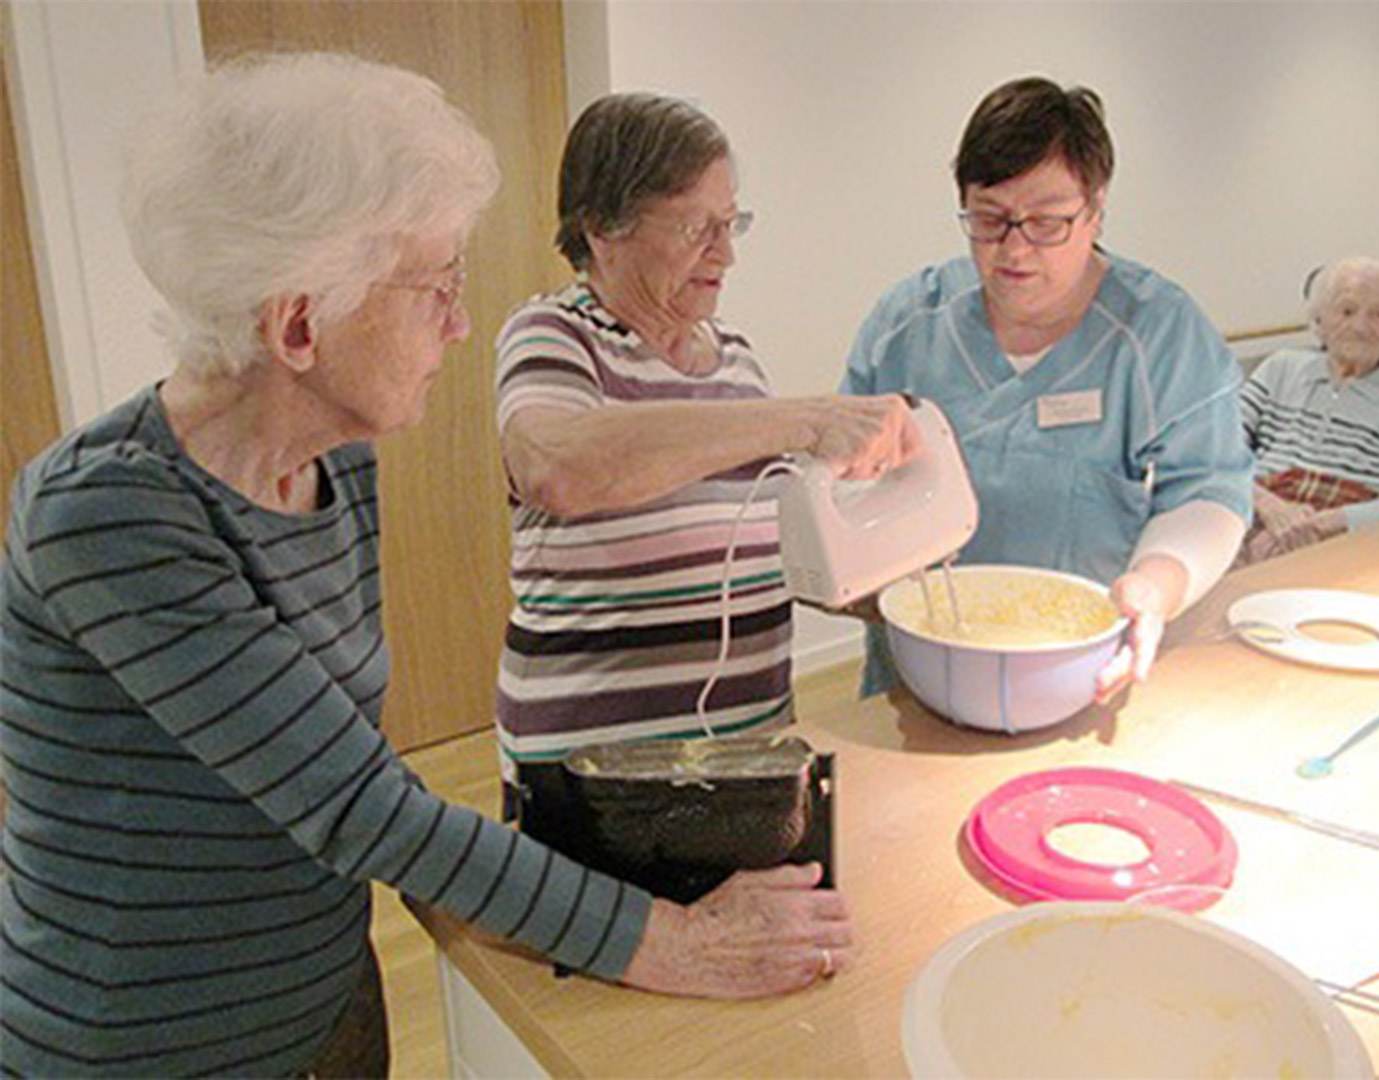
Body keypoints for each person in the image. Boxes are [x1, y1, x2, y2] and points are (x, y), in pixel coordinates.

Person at [0, 56, 851, 1079]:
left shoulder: (336, 464)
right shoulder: (106, 515)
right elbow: (360, 807)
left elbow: (352, 769)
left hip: (324, 1001)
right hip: (150, 1044)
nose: (457, 324)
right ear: (299, 322)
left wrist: (537, 913)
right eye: (437, 286)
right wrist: (674, 944)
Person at [495, 92, 916, 775]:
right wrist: (806, 419)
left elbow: (766, 549)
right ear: (603, 226)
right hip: (597, 774)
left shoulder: (735, 357)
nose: (726, 255)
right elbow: (558, 467)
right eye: (697, 228)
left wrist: (896, 590)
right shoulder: (553, 334)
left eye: (731, 223)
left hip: (745, 756)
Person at [841, 77, 1252, 702]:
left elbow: (1210, 491)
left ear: (1096, 209)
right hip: (920, 673)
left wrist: (1157, 581)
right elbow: (849, 481)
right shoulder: (907, 326)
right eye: (990, 220)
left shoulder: (1160, 335)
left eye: (1047, 223)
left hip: (1074, 676)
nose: (1015, 249)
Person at [1240, 256, 1379, 562]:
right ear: (1319, 317)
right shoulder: (1281, 368)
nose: (1360, 327)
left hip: (1349, 535)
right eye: (1346, 311)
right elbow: (1213, 451)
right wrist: (1267, 505)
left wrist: (1337, 522)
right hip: (1255, 511)